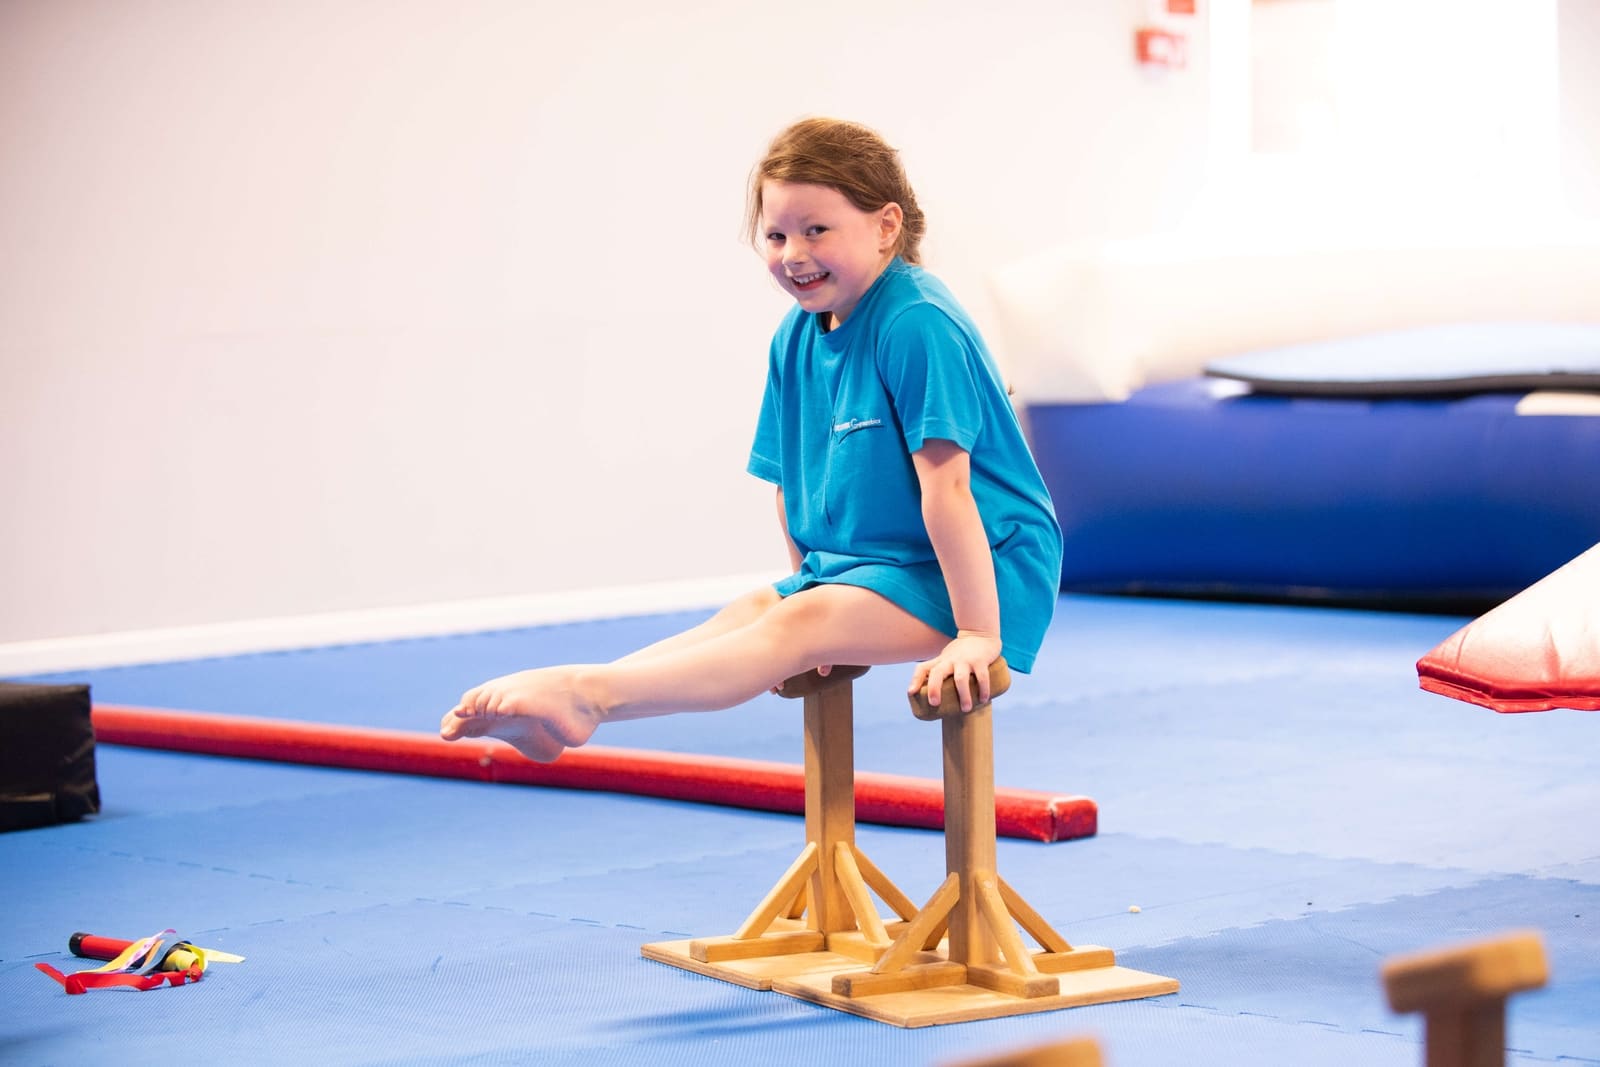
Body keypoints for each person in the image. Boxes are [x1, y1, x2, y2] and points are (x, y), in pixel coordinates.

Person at [439, 117, 1062, 763]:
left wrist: (975, 632)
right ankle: (581, 695)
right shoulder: (795, 338)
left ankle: (588, 696)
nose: (794, 252)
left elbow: (950, 487)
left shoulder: (916, 322)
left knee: (797, 623)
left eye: (816, 229)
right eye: (776, 234)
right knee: (754, 611)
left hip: (984, 565)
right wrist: (810, 586)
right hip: (878, 561)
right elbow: (792, 484)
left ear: (885, 226)